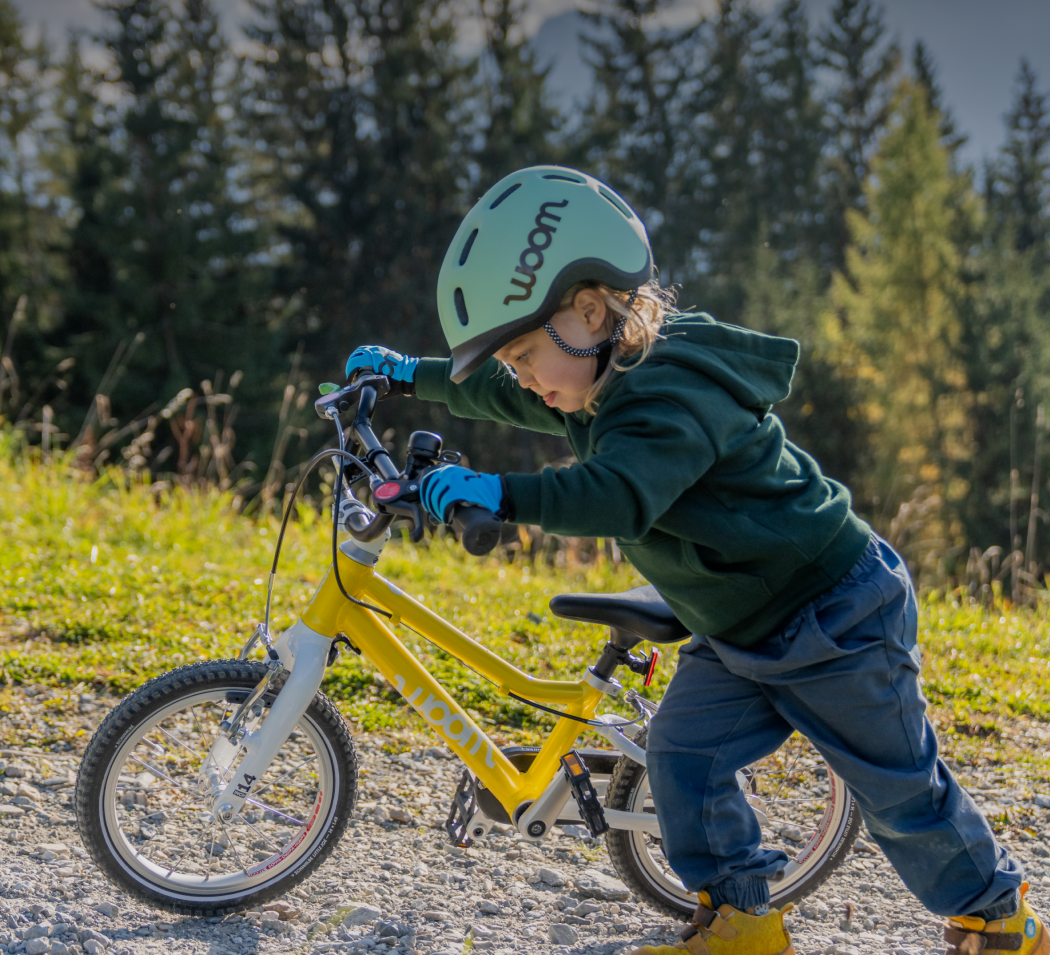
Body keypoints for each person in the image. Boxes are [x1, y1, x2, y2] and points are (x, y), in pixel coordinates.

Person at [345, 166, 1047, 955]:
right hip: (736, 622)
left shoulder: (667, 397)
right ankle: (744, 920)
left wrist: (502, 494)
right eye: (510, 363)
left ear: (587, 311)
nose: (524, 380)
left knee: (898, 793)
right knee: (684, 761)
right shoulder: (594, 382)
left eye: (523, 355)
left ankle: (1000, 921)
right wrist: (412, 378)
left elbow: (617, 494)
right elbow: (508, 400)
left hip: (833, 610)